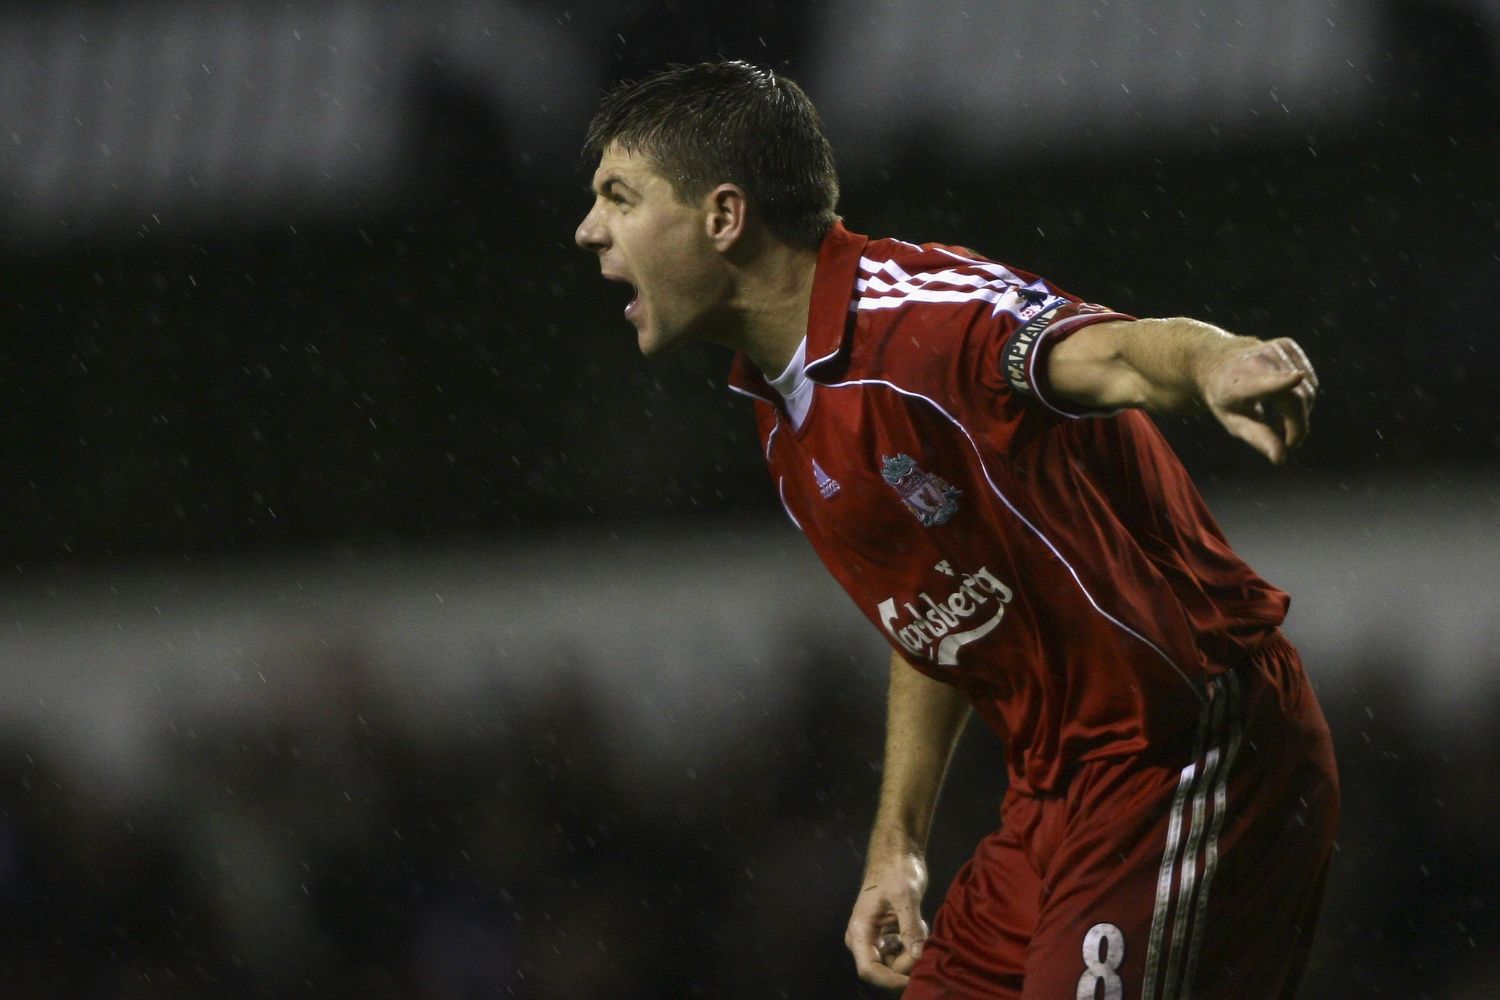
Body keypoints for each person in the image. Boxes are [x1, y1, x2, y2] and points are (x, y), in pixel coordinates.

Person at [574, 61, 1339, 999]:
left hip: (1185, 749)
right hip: (1052, 798)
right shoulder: (784, 409)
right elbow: (938, 612)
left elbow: (1114, 352)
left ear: (723, 216)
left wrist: (1219, 364)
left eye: (620, 196)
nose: (591, 229)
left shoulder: (923, 319)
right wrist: (896, 847)